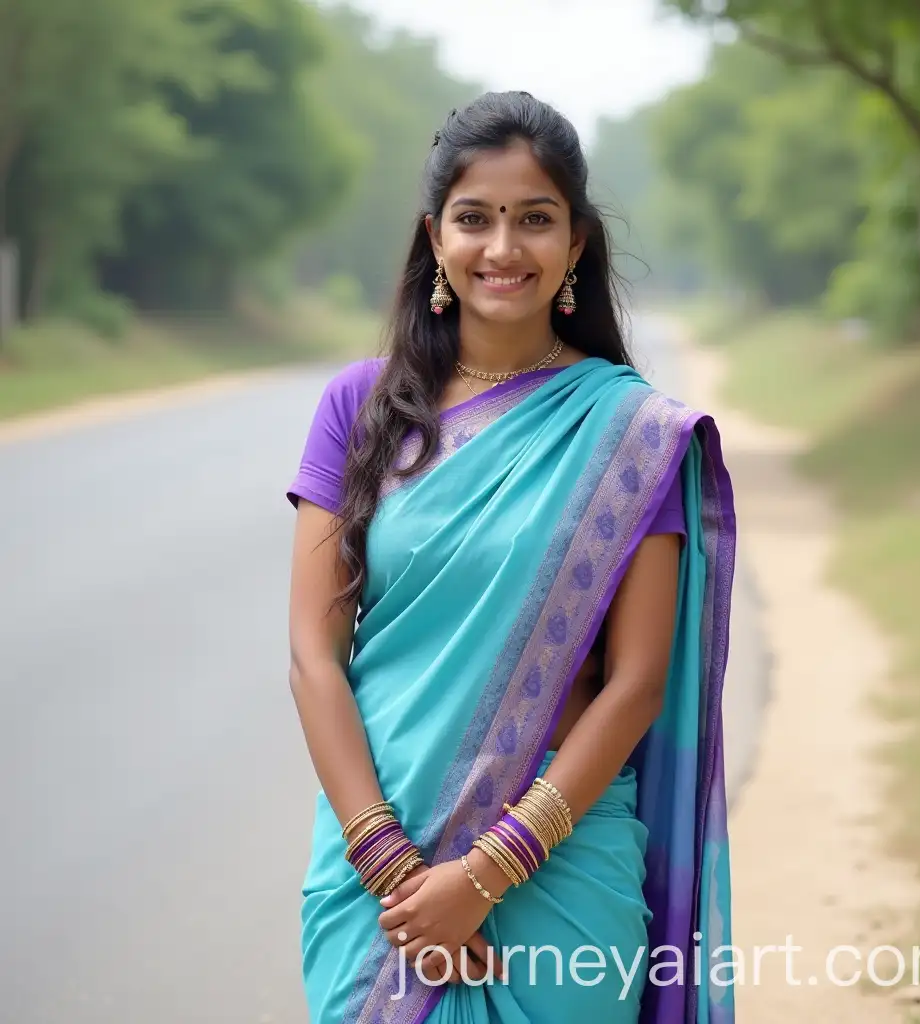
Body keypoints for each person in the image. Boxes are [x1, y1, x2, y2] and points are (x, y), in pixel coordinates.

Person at [285, 90, 736, 1024]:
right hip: (379, 881)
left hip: (560, 869)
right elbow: (312, 656)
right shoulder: (359, 409)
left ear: (575, 243)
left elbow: (636, 684)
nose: (503, 248)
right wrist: (390, 866)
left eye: (535, 219)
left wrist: (488, 873)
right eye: (475, 218)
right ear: (435, 238)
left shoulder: (631, 433)